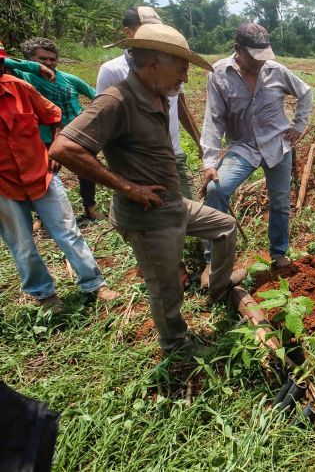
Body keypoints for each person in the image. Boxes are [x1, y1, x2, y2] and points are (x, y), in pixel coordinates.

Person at [50, 24, 242, 356]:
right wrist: (127, 187)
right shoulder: (117, 100)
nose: (184, 78)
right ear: (154, 64)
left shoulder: (156, 94)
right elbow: (64, 148)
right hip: (148, 216)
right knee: (167, 288)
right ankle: (176, 346)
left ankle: (220, 286)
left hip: (172, 203)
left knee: (225, 227)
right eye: (181, 68)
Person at [0, 39, 116, 315]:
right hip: (5, 185)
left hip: (41, 174)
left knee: (68, 232)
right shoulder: (25, 77)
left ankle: (94, 284)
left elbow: (52, 116)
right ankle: (44, 294)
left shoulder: (18, 88)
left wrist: (54, 148)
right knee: (23, 245)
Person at [200, 23, 312, 277]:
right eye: (255, 57)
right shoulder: (219, 74)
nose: (261, 63)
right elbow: (213, 120)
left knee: (281, 202)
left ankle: (279, 253)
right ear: (238, 49)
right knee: (215, 189)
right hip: (243, 146)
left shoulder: (277, 71)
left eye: (265, 56)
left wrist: (299, 125)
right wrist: (209, 162)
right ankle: (214, 260)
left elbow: (305, 93)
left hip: (277, 145)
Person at [96, 6, 201, 201]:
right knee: (153, 223)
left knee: (188, 211)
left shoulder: (171, 68)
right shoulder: (112, 71)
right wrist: (126, 183)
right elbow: (102, 126)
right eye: (148, 29)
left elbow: (182, 107)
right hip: (138, 163)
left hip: (173, 154)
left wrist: (200, 142)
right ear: (128, 33)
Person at [5, 37, 102, 221]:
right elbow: (4, 61)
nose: (49, 63)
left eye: (52, 59)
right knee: (43, 179)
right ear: (30, 60)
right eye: (42, 59)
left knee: (87, 172)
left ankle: (90, 206)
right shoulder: (21, 77)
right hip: (42, 137)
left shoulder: (69, 79)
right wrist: (34, 68)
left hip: (75, 135)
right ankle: (42, 218)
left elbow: (96, 96)